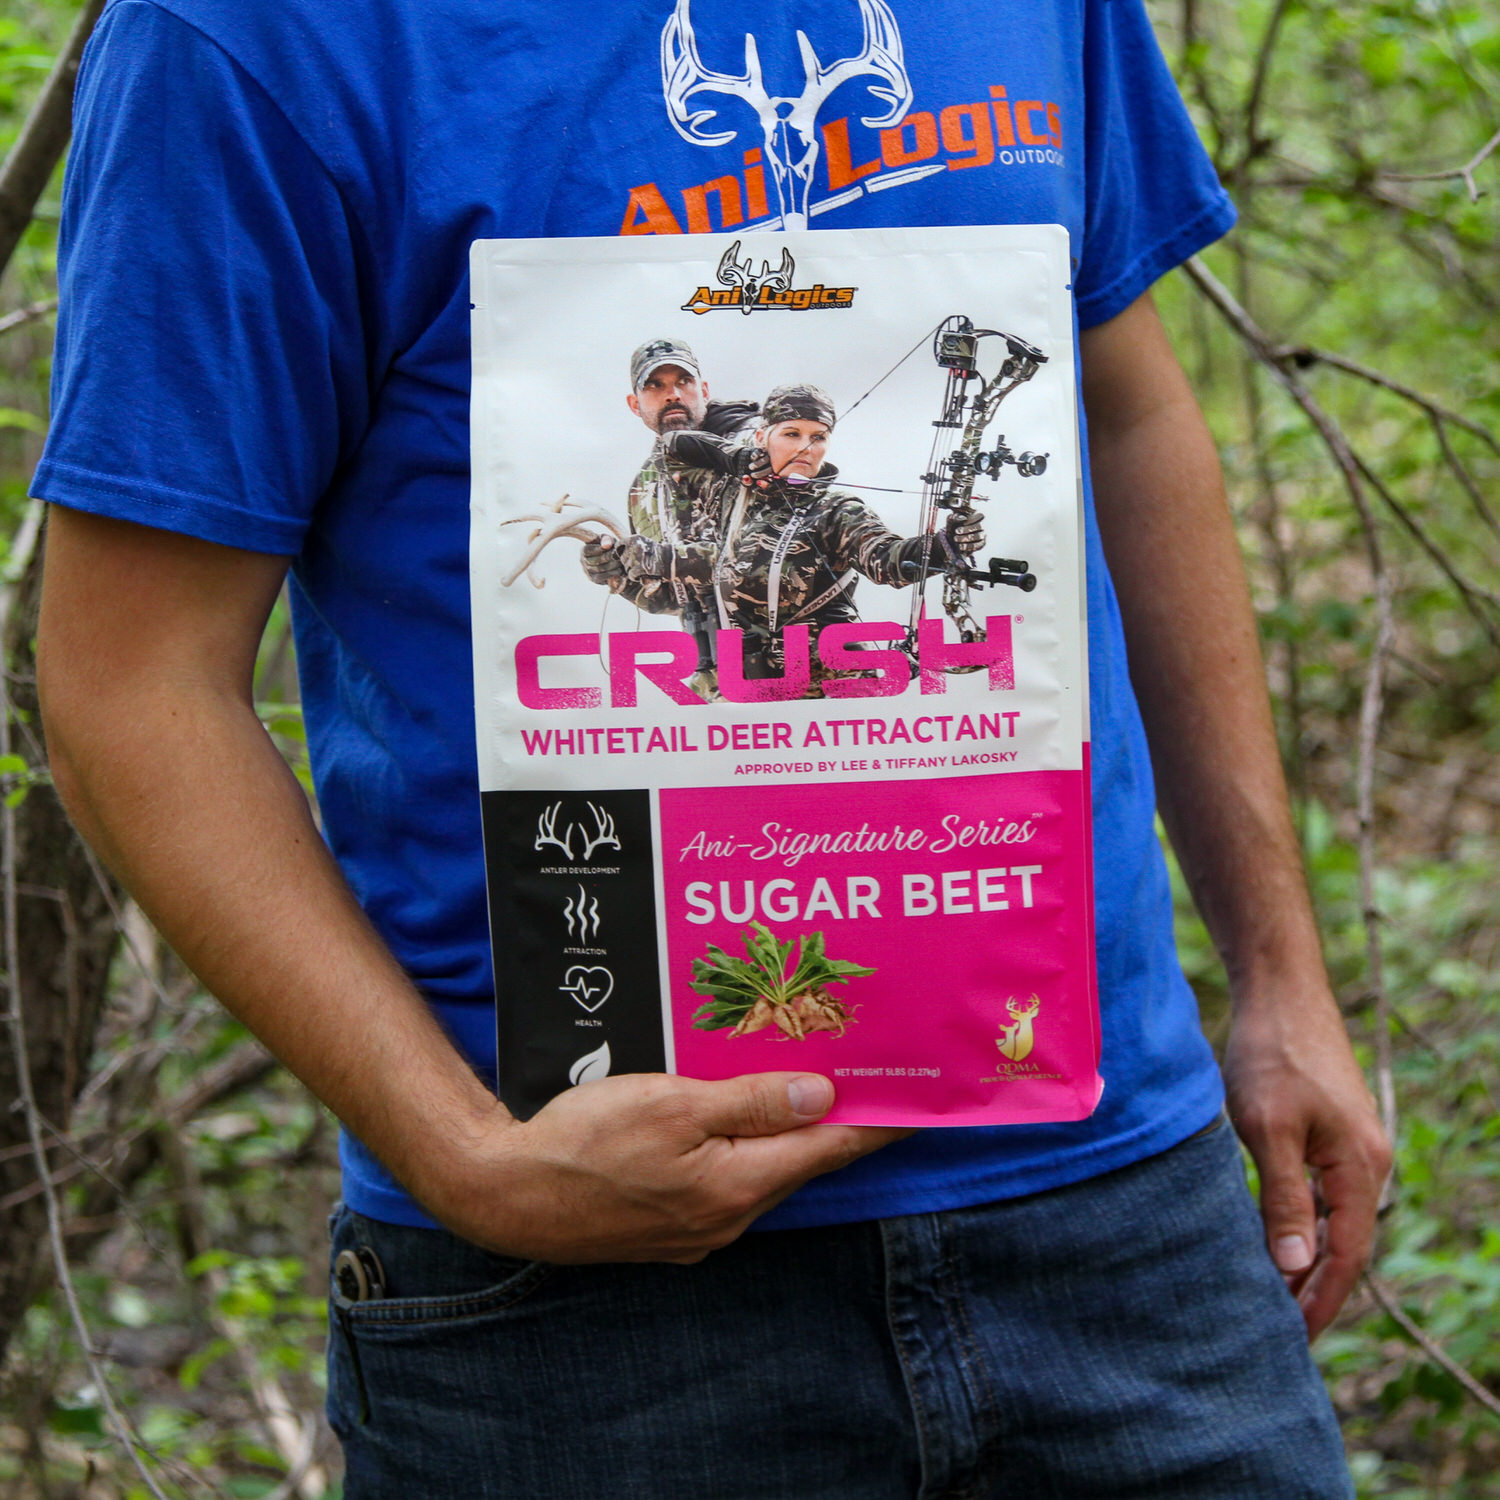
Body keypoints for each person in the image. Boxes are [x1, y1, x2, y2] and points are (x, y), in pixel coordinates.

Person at [32, 0, 1388, 1494]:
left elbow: (1122, 411)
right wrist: (468, 1157)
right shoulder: (253, 37)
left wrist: (1280, 978)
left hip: (1115, 1200)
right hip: (574, 1298)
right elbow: (131, 684)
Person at [604, 383, 986, 687]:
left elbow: (887, 559)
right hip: (757, 693)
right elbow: (672, 448)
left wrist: (943, 547)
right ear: (761, 436)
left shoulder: (837, 509)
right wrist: (732, 459)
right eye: (791, 433)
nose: (805, 446)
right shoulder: (727, 493)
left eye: (818, 437)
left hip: (837, 693)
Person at [582, 337, 758, 697]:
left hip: (797, 665)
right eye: (655, 386)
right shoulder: (644, 489)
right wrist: (618, 574)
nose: (672, 394)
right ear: (635, 405)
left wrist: (665, 558)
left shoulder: (758, 450)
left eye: (684, 381)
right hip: (715, 680)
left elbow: (783, 559)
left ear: (703, 389)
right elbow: (672, 598)